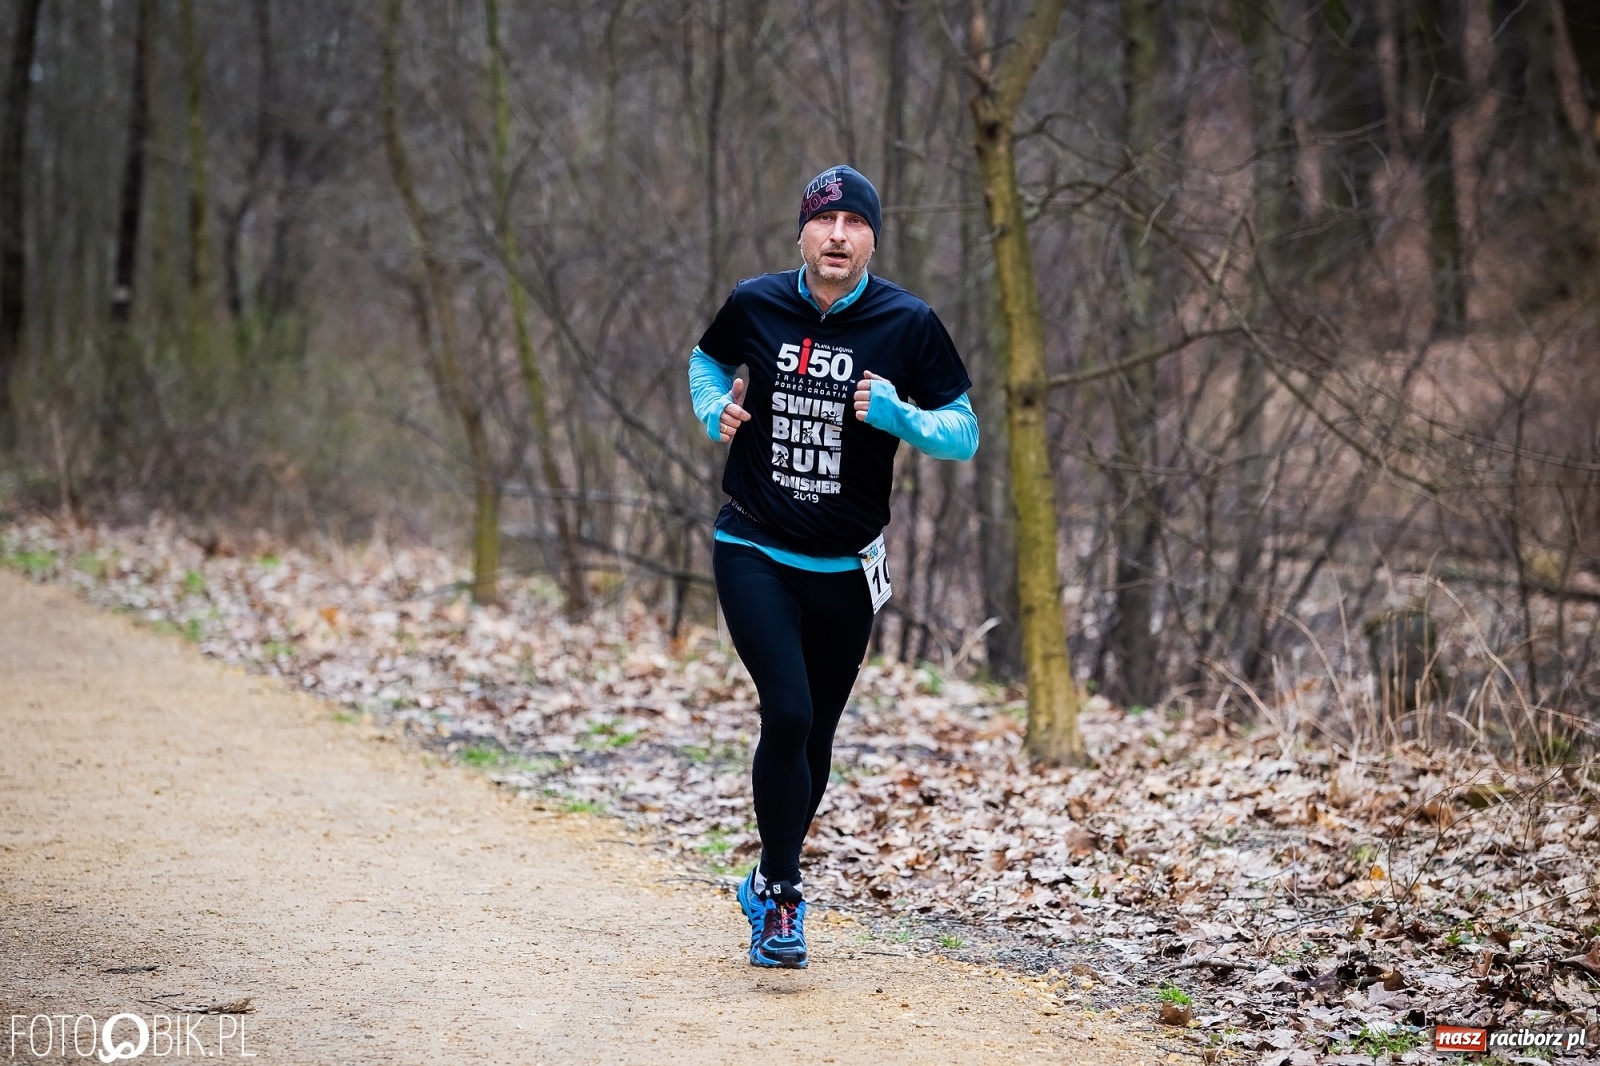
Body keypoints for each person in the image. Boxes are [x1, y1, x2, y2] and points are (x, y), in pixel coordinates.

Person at [686, 164, 978, 969]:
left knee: (815, 740)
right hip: (753, 544)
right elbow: (705, 363)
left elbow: (965, 430)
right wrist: (715, 409)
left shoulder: (907, 324)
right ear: (804, 233)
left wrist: (897, 415)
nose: (838, 236)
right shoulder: (756, 301)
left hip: (847, 567)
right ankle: (783, 894)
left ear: (872, 239)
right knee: (787, 712)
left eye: (855, 223)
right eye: (825, 222)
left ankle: (765, 880)